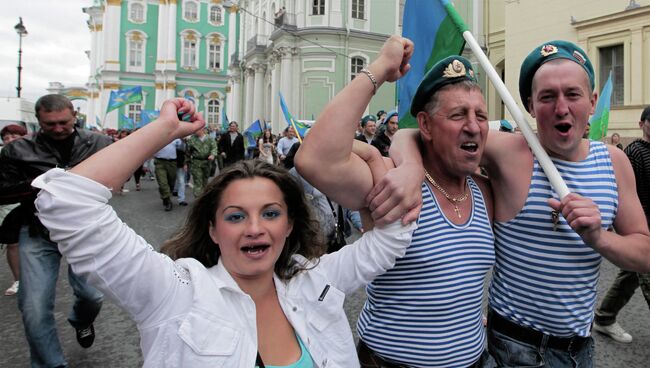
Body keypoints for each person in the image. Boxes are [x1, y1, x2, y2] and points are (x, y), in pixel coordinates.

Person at [33, 97, 415, 367]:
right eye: (235, 217)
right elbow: (66, 201)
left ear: (290, 225)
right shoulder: (174, 292)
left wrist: (383, 152)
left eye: (270, 213)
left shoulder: (316, 279)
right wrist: (164, 129)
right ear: (213, 230)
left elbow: (392, 237)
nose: (254, 229)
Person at [389, 40, 650, 366]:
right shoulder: (507, 151)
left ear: (592, 101)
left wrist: (599, 238)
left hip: (577, 351)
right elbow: (411, 135)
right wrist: (412, 169)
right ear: (529, 105)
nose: (561, 108)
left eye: (572, 94)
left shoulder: (614, 163)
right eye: (547, 97)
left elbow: (644, 254)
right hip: (512, 346)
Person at [296, 36, 496, 367]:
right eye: (458, 115)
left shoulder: (486, 189)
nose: (473, 126)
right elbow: (315, 160)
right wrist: (378, 69)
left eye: (481, 115)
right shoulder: (392, 182)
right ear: (426, 126)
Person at [0, 94, 109, 367]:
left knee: (92, 296)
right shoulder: (16, 150)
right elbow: (2, 191)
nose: (58, 128)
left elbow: (116, 177)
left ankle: (81, 320)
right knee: (34, 308)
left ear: (74, 115)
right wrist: (45, 184)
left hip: (85, 232)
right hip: (38, 232)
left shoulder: (99, 142)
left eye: (63, 122)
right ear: (39, 121)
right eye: (51, 124)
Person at [593, 106, 650, 343]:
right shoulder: (635, 151)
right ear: (641, 124)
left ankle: (604, 318)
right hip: (641, 224)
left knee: (630, 272)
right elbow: (626, 194)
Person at [0, 124, 28, 296]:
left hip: (29, 202)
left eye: (14, 136)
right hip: (7, 204)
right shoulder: (2, 156)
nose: (9, 140)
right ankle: (18, 279)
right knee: (13, 243)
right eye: (6, 138)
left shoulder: (34, 154)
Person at [186, 127, 218, 198]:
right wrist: (186, 163)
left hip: (207, 162)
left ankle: (204, 198)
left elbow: (214, 148)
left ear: (202, 130)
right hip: (196, 162)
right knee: (198, 181)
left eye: (196, 130)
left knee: (205, 181)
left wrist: (212, 154)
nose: (195, 131)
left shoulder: (209, 138)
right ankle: (198, 199)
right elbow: (188, 151)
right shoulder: (192, 139)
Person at [154, 138, 182, 211]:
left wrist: (183, 141)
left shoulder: (175, 138)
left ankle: (165, 195)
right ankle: (167, 201)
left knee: (171, 182)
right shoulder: (157, 137)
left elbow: (181, 147)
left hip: (172, 163)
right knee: (162, 182)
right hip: (160, 162)